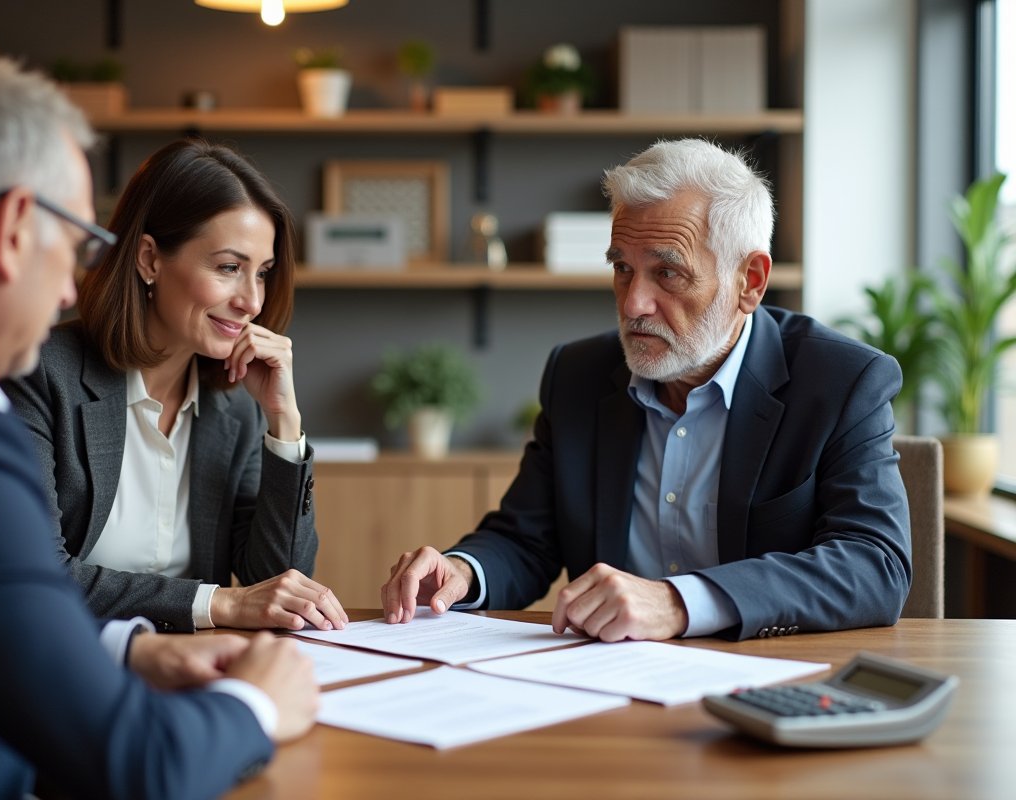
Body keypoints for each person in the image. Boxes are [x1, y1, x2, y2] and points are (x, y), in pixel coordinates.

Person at [0, 57, 317, 800]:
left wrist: (125, 652)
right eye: (78, 245)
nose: (68, 288)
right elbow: (136, 764)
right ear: (16, 227)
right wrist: (257, 704)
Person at [380, 139, 913, 643]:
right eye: (622, 268)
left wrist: (679, 603)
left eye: (667, 273)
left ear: (749, 280)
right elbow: (526, 539)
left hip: (764, 679)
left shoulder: (841, 381)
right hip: (608, 688)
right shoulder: (577, 374)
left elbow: (874, 563)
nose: (633, 303)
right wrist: (463, 572)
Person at [2, 139, 345, 635]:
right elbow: (36, 572)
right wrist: (219, 604)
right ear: (149, 260)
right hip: (69, 666)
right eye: (229, 268)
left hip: (197, 669)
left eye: (263, 274)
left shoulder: (236, 407)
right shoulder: (41, 373)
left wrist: (284, 425)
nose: (251, 300)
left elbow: (276, 585)